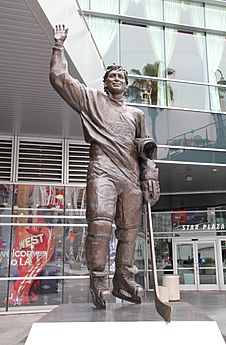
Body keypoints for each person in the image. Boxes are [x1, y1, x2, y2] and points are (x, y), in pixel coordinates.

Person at [49, 24, 160, 309]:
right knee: (100, 224)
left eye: (122, 77)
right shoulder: (93, 101)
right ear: (105, 82)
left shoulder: (137, 113)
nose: (118, 80)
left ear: (127, 83)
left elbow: (146, 148)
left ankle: (123, 278)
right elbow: (60, 78)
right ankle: (98, 280)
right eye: (112, 76)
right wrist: (59, 47)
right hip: (102, 169)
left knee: (130, 229)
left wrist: (150, 174)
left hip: (130, 174)